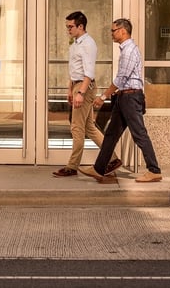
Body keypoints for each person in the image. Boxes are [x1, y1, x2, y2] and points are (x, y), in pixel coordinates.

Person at [79, 18, 163, 183]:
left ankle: (154, 170)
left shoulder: (130, 50)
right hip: (124, 97)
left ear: (123, 31)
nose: (111, 33)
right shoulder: (126, 50)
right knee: (110, 135)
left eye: (113, 30)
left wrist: (103, 97)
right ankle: (99, 169)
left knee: (139, 134)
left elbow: (121, 78)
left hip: (130, 97)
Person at [52, 11, 121, 178]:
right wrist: (70, 89)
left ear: (80, 26)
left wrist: (81, 92)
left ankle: (72, 166)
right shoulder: (75, 43)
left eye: (70, 26)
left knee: (77, 127)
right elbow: (75, 69)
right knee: (89, 127)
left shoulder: (88, 44)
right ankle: (112, 159)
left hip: (85, 87)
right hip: (77, 86)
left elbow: (88, 72)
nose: (68, 29)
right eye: (67, 26)